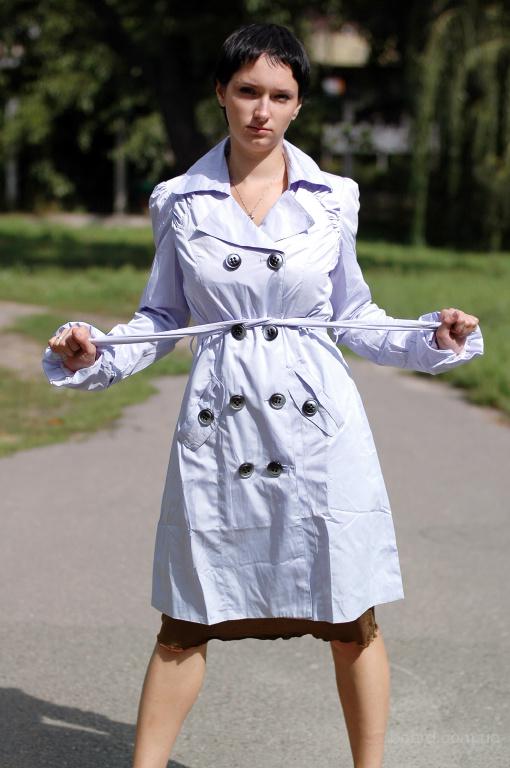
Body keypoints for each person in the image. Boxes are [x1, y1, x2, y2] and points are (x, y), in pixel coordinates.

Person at [43, 23, 483, 768]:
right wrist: (96, 351)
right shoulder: (180, 200)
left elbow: (355, 315)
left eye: (280, 95)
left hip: (318, 430)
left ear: (299, 104)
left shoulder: (333, 198)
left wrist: (431, 338)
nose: (262, 110)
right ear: (221, 93)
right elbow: (162, 317)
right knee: (186, 620)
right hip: (222, 425)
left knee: (350, 618)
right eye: (248, 91)